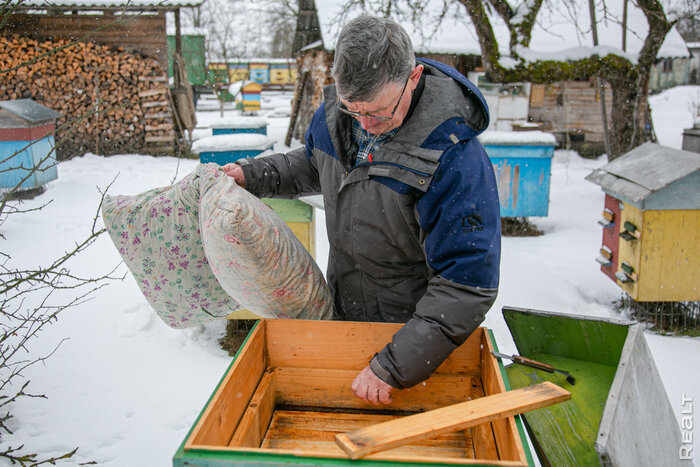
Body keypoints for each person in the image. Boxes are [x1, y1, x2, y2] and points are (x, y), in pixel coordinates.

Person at [223, 15, 501, 406]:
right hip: (346, 310)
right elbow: (316, 164)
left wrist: (396, 363)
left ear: (414, 77)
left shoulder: (454, 158)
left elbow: (466, 285)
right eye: (355, 111)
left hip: (414, 337)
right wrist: (254, 174)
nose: (367, 126)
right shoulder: (339, 114)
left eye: (380, 112)